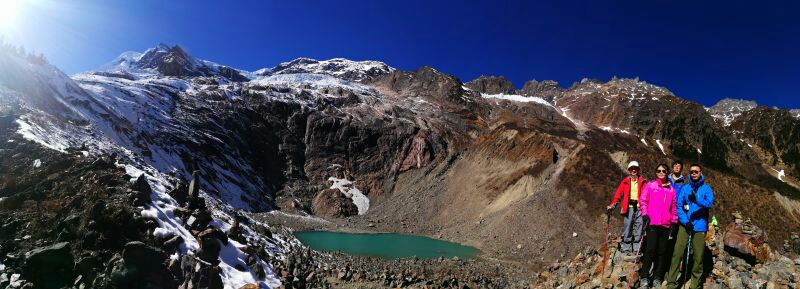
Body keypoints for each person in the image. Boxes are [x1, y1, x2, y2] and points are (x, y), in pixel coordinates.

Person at [665, 164, 714, 289]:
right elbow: (679, 205)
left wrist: (697, 199)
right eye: (692, 171)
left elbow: (709, 203)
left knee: (698, 257)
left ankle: (695, 285)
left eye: (696, 171)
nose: (694, 173)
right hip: (685, 225)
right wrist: (685, 221)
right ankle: (671, 283)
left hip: (699, 227)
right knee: (677, 253)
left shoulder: (706, 189)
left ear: (700, 172)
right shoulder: (685, 188)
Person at [638, 164, 678, 289]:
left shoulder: (671, 190)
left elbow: (674, 208)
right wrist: (645, 214)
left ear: (667, 173)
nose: (661, 173)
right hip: (652, 223)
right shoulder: (651, 185)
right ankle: (644, 276)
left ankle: (657, 277)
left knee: (662, 252)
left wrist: (673, 221)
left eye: (664, 171)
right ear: (656, 173)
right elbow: (643, 200)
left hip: (665, 225)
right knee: (650, 250)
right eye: (659, 171)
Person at [607, 161, 648, 253]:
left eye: (635, 168)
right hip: (628, 208)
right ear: (629, 170)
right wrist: (612, 205)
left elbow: (647, 195)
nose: (634, 170)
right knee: (628, 226)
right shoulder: (625, 182)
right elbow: (618, 194)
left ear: (638, 170)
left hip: (640, 208)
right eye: (632, 168)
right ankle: (627, 247)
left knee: (639, 227)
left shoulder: (643, 181)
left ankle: (637, 248)